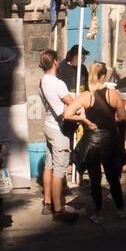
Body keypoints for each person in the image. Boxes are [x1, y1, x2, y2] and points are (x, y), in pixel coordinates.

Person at [64, 61, 126, 224]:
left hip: (92, 142)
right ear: (103, 76)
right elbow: (123, 117)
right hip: (109, 141)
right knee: (112, 177)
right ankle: (121, 209)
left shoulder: (85, 96)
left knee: (94, 178)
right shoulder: (114, 94)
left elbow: (67, 114)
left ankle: (97, 213)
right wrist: (112, 124)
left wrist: (84, 120)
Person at [38, 50, 79, 223]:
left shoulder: (42, 81)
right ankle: (58, 210)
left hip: (48, 125)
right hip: (59, 129)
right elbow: (72, 103)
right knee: (59, 169)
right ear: (55, 62)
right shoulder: (57, 83)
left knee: (49, 165)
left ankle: (47, 203)